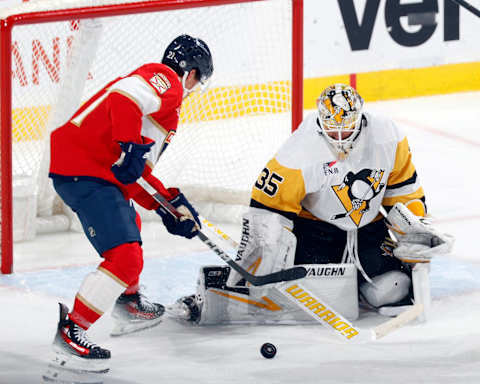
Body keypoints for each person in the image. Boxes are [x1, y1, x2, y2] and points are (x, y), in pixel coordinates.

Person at [169, 83, 452, 325]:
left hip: (369, 230)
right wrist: (262, 249)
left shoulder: (387, 136)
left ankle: (357, 282)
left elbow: (404, 190)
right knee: (314, 294)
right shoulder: (300, 150)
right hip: (316, 231)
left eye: (346, 130)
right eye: (332, 131)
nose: (340, 138)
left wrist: (414, 231)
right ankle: (345, 284)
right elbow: (268, 206)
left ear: (360, 119)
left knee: (393, 288)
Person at [48, 34, 213, 372]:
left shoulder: (165, 112)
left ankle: (129, 303)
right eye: (197, 79)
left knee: (132, 225)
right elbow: (124, 98)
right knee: (123, 257)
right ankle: (72, 330)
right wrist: (129, 146)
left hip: (89, 170)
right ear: (191, 73)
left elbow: (133, 175)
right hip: (84, 170)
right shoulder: (165, 78)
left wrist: (168, 205)